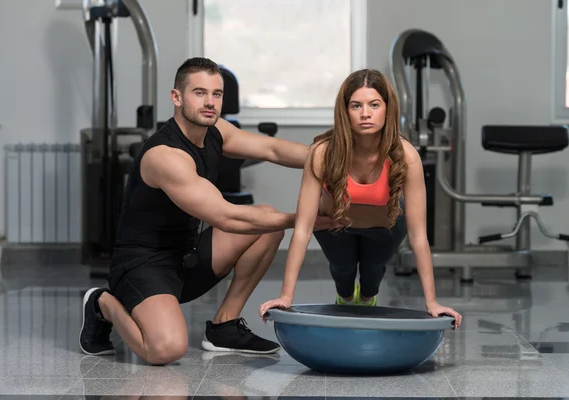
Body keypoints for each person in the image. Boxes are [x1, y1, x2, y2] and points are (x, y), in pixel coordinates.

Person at [79, 57, 332, 365]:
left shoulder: (215, 131)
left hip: (188, 256)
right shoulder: (165, 156)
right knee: (166, 349)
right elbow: (227, 217)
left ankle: (224, 326)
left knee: (267, 222)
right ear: (176, 97)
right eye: (199, 93)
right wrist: (305, 220)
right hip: (143, 266)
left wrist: (332, 159)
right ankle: (101, 303)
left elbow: (273, 149)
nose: (210, 102)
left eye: (216, 94)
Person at [259, 69, 462, 329]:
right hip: (334, 226)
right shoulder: (322, 153)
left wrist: (432, 303)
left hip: (385, 228)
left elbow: (419, 235)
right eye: (356, 105)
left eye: (374, 105)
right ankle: (344, 296)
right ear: (345, 111)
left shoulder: (406, 155)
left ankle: (366, 297)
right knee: (343, 273)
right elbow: (303, 229)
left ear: (388, 109)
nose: (365, 113)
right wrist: (286, 296)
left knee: (371, 277)